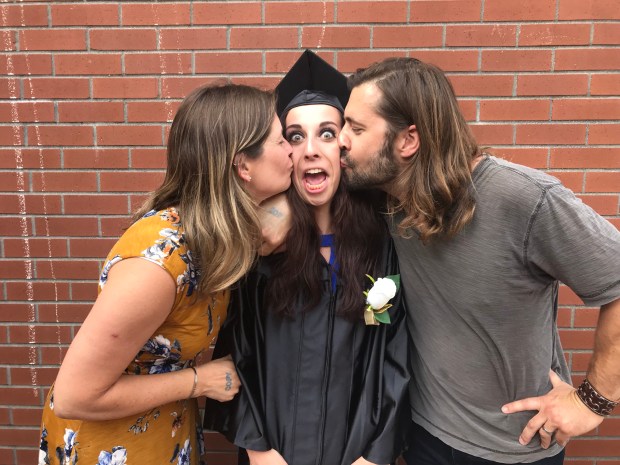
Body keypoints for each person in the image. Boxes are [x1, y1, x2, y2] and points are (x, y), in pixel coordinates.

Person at [336, 57, 620, 464]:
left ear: (408, 141)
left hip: (515, 448)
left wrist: (592, 402)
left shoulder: (524, 199)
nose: (341, 139)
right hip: (424, 438)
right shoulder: (389, 199)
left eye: (356, 128)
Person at [38, 83, 294, 465]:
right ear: (243, 165)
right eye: (282, 140)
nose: (293, 150)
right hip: (112, 446)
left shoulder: (215, 233)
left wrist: (286, 208)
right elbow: (74, 396)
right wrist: (200, 381)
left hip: (165, 432)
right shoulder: (159, 263)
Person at [205, 51, 411, 465]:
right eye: (295, 136)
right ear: (284, 153)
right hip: (273, 452)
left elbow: (393, 352)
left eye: (327, 134)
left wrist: (375, 455)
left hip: (353, 452)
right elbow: (239, 352)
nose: (311, 150)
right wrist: (259, 450)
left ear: (344, 148)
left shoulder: (378, 247)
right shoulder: (261, 251)